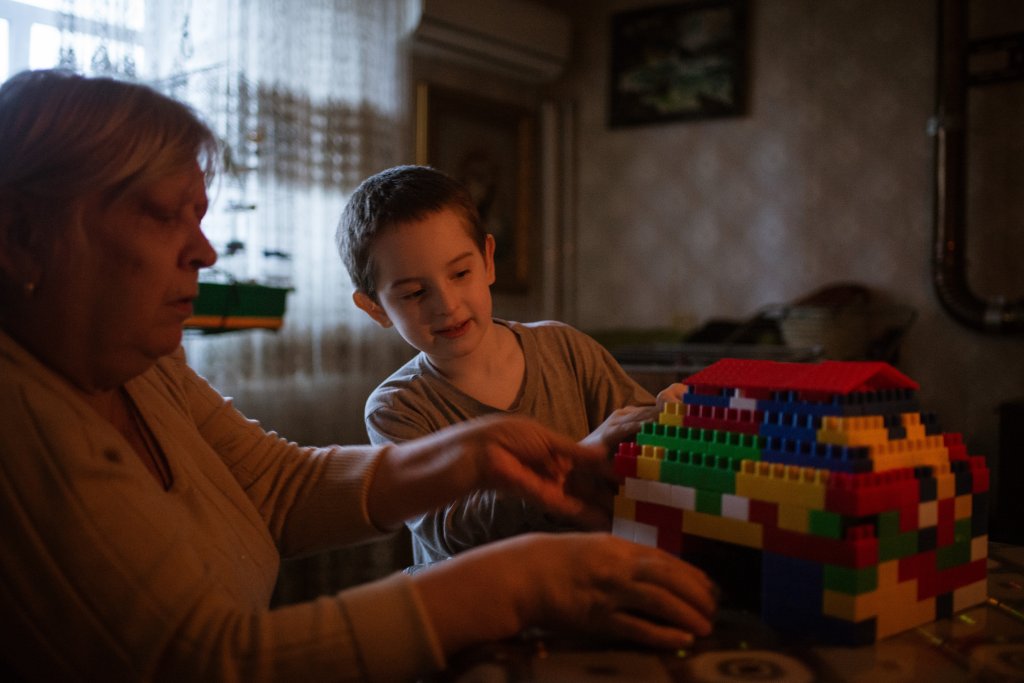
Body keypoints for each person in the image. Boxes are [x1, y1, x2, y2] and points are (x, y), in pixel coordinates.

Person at [0, 69, 716, 682]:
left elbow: (279, 489)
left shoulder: (145, 369)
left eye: (202, 217)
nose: (206, 252)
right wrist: (519, 580)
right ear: (23, 236)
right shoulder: (21, 423)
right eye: (164, 217)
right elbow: (211, 661)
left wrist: (477, 453)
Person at [337, 165, 679, 565]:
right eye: (414, 293)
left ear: (488, 260)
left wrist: (669, 423)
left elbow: (637, 445)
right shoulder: (397, 408)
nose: (447, 305)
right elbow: (450, 530)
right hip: (478, 609)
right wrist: (570, 465)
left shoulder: (565, 348)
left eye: (461, 273)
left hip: (593, 581)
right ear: (375, 307)